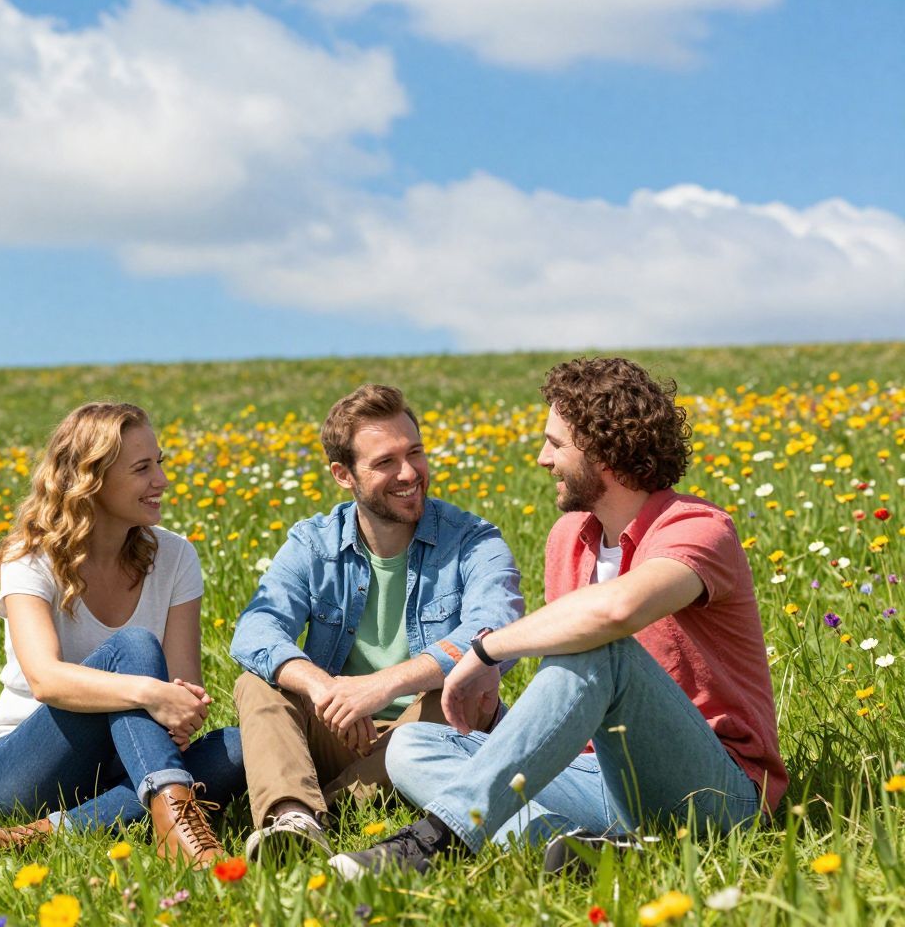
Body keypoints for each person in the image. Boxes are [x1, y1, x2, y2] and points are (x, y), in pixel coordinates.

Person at [331, 358, 788, 879]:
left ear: (603, 449)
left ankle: (438, 839)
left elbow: (615, 612)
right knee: (415, 744)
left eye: (556, 443)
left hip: (711, 791)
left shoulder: (699, 528)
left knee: (601, 645)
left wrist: (487, 650)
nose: (543, 458)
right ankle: (581, 848)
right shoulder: (568, 540)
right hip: (596, 775)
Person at [229, 384, 525, 863]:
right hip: (344, 728)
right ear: (343, 475)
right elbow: (256, 631)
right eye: (386, 462)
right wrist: (325, 690)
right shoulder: (313, 543)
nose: (409, 473)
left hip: (436, 732)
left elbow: (496, 629)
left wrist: (381, 687)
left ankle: (327, 806)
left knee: (464, 690)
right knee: (258, 683)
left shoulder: (473, 541)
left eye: (415, 453)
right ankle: (293, 821)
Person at [0, 402, 244, 866]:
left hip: (127, 761)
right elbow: (46, 679)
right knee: (133, 647)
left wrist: (181, 712)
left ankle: (35, 836)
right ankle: (176, 813)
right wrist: (149, 693)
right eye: (142, 468)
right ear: (93, 479)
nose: (162, 481)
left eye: (160, 464)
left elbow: (183, 688)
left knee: (241, 749)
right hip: (27, 771)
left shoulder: (176, 556)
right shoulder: (29, 557)